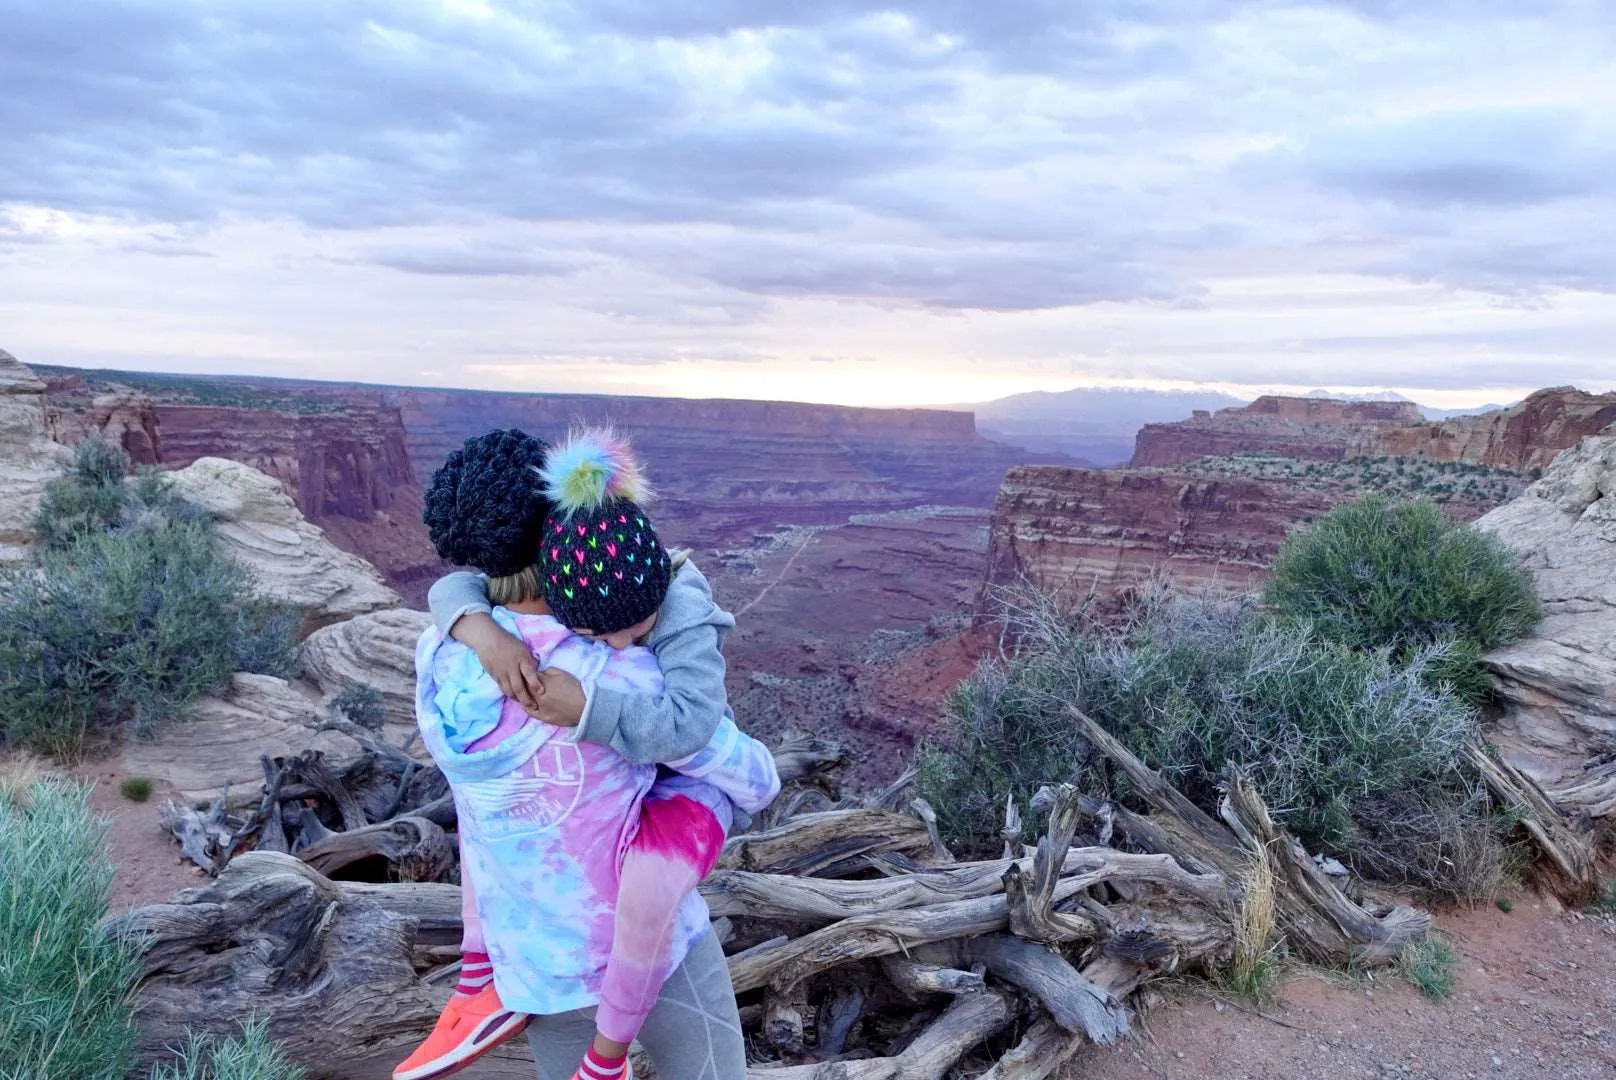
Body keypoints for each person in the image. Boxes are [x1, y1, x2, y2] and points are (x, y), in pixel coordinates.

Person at [397, 429, 772, 1080]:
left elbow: (451, 592)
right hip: (660, 956)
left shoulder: (443, 657)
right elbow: (747, 772)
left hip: (539, 965)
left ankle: (476, 976)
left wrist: (478, 625)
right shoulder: (614, 670)